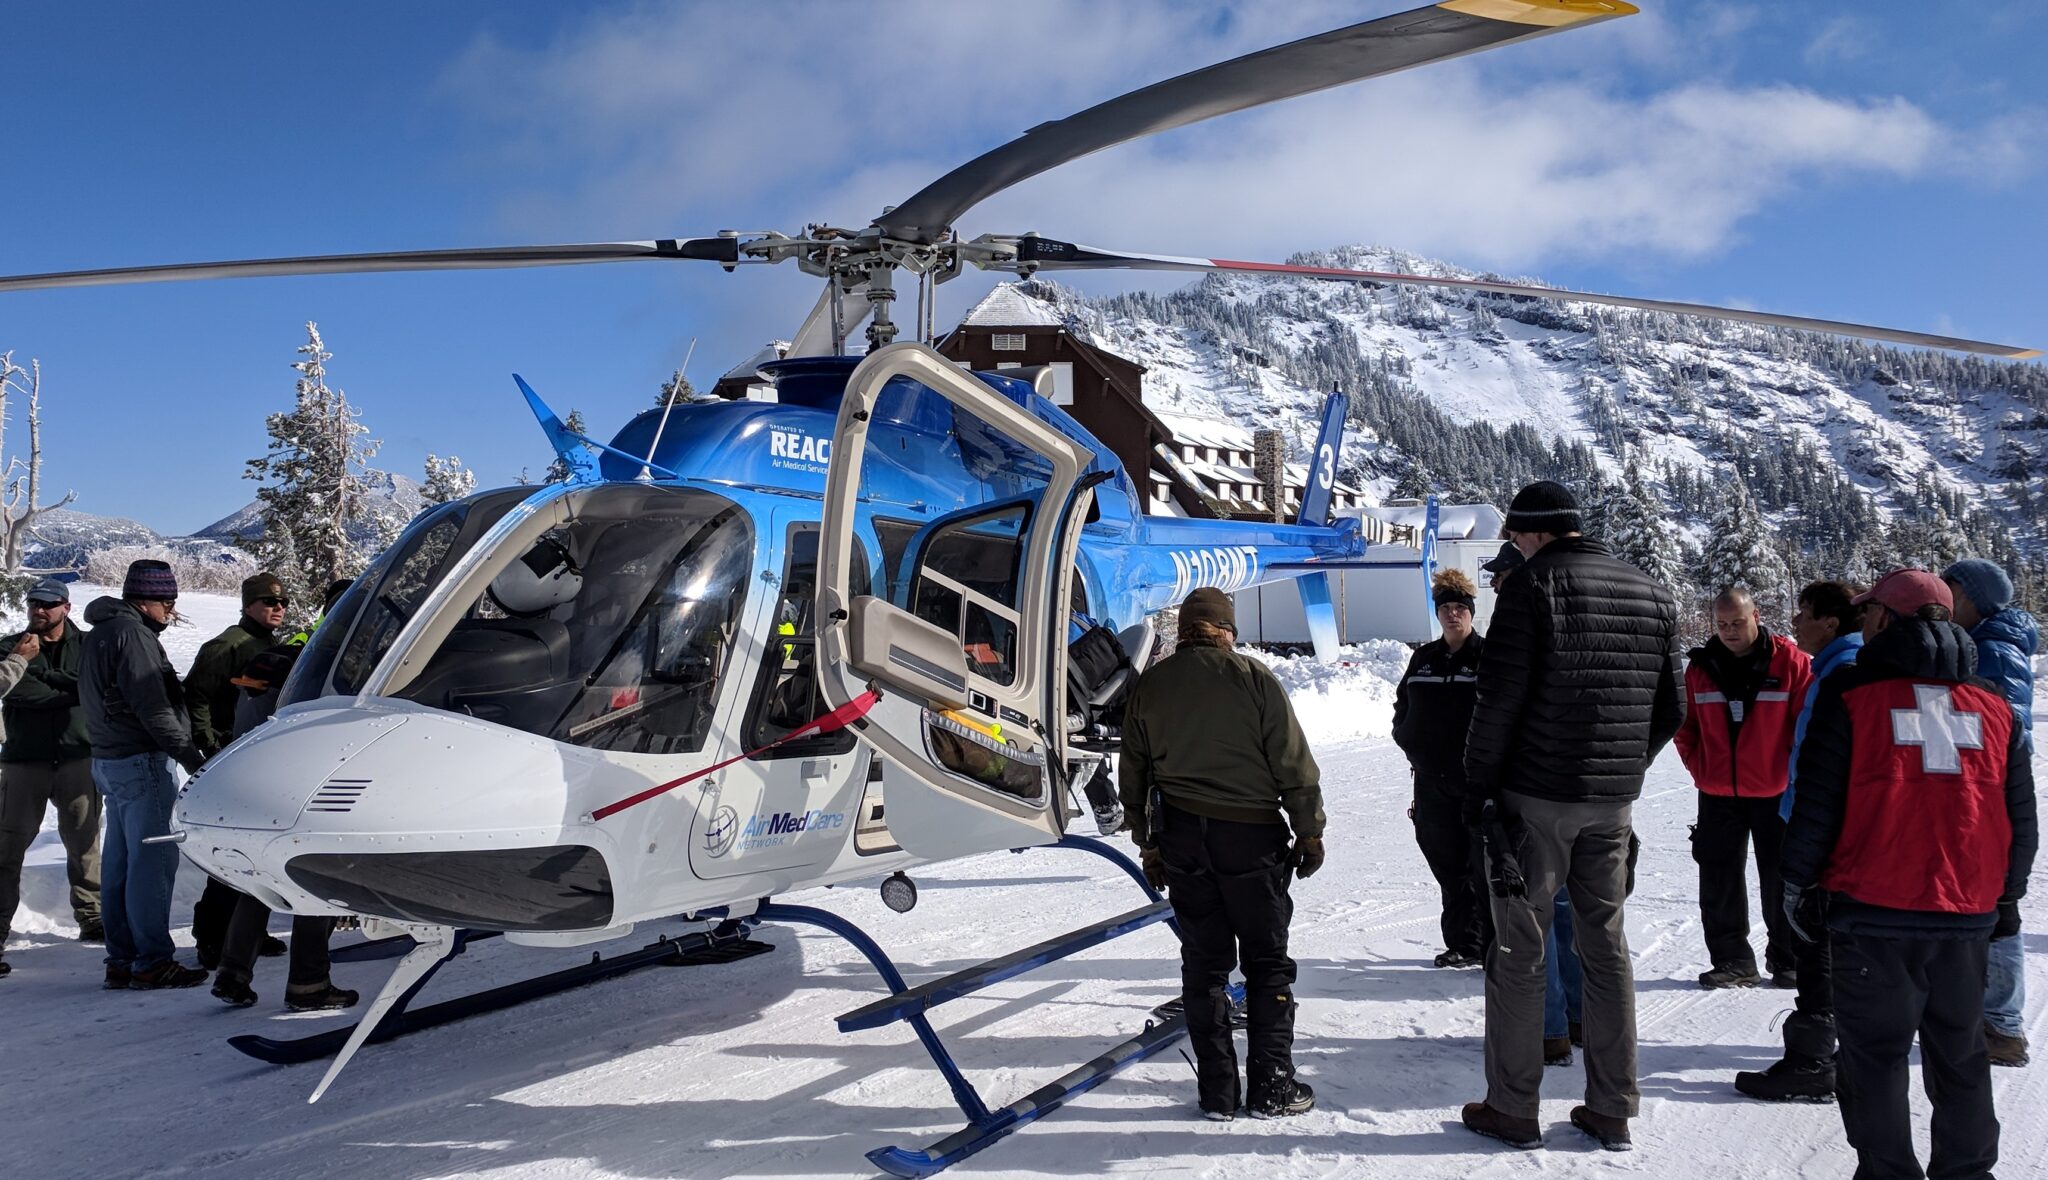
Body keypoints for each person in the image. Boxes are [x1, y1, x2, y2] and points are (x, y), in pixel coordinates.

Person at [1781, 568, 2037, 1180]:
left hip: (1872, 909)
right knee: (1962, 1056)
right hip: (1965, 914)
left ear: (1890, 620)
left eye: (1870, 613)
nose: (1862, 622)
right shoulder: (1996, 707)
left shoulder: (1851, 696)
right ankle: (1969, 1173)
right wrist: (2006, 901)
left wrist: (1796, 885)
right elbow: (2021, 818)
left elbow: (1817, 807)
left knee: (1873, 1060)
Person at [1459, 480, 1683, 1153]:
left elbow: (1497, 703)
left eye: (1515, 536)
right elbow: (1671, 708)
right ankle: (1612, 1106)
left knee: (1519, 951)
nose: (1514, 547)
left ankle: (1514, 1107)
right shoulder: (1650, 589)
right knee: (1605, 948)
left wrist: (1478, 790)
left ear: (1533, 531)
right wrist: (1624, 768)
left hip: (1535, 799)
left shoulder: (1532, 588)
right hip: (1610, 801)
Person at [1119, 587, 1325, 1122]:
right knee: (1266, 965)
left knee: (1205, 968)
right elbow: (1292, 763)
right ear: (1226, 630)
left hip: (1185, 840)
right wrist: (1308, 831)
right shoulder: (1253, 678)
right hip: (1251, 840)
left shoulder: (1152, 685)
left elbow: (1134, 774)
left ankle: (1217, 1093)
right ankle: (1272, 1086)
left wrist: (1149, 843)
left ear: (1185, 629)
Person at [1736, 580, 1863, 1102]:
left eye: (1805, 612)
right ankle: (1832, 1053)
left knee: (1816, 942)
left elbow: (1827, 768)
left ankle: (1814, 1062)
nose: (1796, 621)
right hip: (1810, 818)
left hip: (1821, 829)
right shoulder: (1830, 667)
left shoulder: (1845, 672)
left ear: (1832, 621)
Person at [210, 584, 359, 1012]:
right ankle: (309, 984)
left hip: (259, 775)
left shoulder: (303, 648)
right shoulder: (348, 659)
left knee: (263, 878)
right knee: (317, 878)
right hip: (311, 782)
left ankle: (233, 970)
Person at [1674, 586, 1813, 989]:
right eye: (1721, 625)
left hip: (1776, 793)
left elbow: (1806, 728)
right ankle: (1733, 960)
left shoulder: (1791, 664)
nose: (1729, 631)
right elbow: (1687, 727)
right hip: (1718, 793)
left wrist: (1791, 773)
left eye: (1737, 623)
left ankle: (1787, 959)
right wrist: (1702, 768)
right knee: (1718, 880)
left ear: (1755, 617)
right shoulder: (1700, 668)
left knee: (1781, 879)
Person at [1482, 541, 1587, 1066]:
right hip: (1580, 789)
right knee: (1568, 912)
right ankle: (1579, 1018)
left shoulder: (1516, 627)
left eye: (1500, 578)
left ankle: (1548, 1032)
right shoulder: (1569, 619)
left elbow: (1498, 713)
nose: (1496, 586)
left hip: (1527, 792)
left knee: (1530, 916)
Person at [81, 559, 208, 989]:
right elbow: (153, 707)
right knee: (152, 863)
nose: (170, 612)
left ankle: (122, 957)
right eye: (168, 602)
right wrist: (191, 756)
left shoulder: (101, 632)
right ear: (147, 599)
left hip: (109, 759)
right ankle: (152, 960)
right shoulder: (132, 636)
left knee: (120, 861)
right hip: (141, 760)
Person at [1944, 557, 2037, 1068]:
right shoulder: (1988, 639)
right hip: (1986, 786)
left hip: (1994, 791)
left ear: (1974, 596)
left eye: (1951, 589)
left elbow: (2009, 724)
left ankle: (2002, 1024)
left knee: (2000, 907)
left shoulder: (1995, 647)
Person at [183, 573, 290, 968]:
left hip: (258, 754)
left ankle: (248, 933)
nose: (277, 609)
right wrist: (211, 744)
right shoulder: (227, 645)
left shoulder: (268, 644)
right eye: (267, 602)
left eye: (282, 603)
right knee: (230, 852)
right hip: (230, 753)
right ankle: (210, 936)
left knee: (256, 850)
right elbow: (195, 695)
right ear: (247, 605)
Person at [1, 579, 103, 978]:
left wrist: (66, 689)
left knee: (84, 843)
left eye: (47, 604)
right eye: (33, 604)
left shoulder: (90, 645)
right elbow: (18, 693)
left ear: (66, 607)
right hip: (25, 761)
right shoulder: (12, 646)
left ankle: (92, 916)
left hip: (79, 756)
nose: (38, 611)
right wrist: (74, 693)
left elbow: (98, 687)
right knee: (8, 847)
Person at [1393, 568, 1490, 969]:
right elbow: (1403, 707)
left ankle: (1493, 945)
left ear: (1471, 613)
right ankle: (1463, 943)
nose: (1453, 615)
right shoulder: (1424, 659)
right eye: (1446, 608)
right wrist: (1407, 739)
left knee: (1483, 867)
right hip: (1432, 783)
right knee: (1447, 864)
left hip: (1476, 781)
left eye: (1459, 608)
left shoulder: (1487, 656)